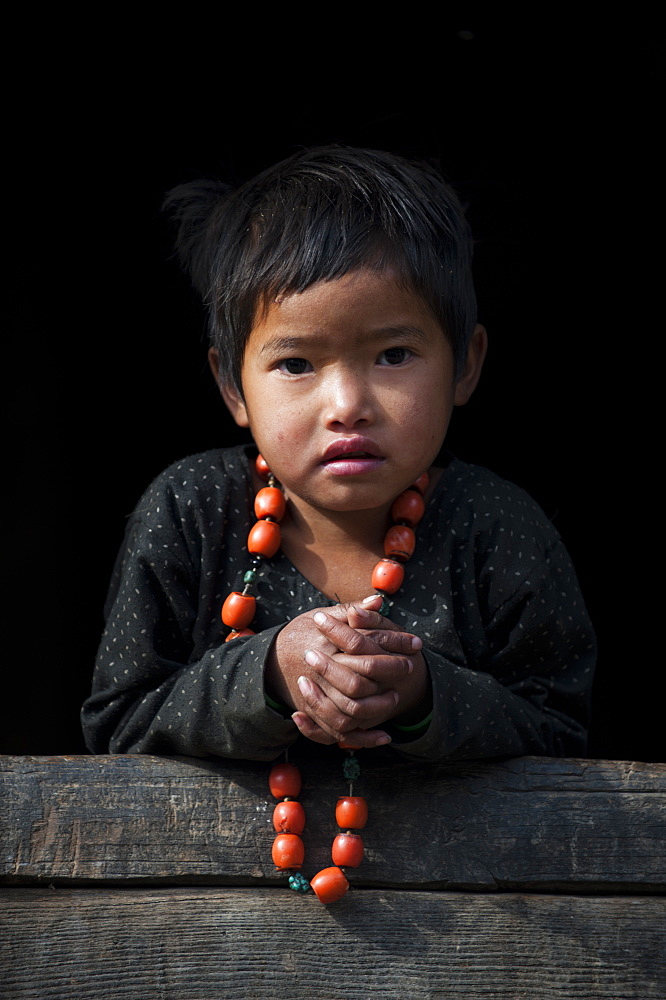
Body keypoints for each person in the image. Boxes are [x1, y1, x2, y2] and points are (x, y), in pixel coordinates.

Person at [81, 145, 596, 764]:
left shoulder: (498, 529)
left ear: (465, 365)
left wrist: (425, 694)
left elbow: (562, 737)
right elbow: (118, 726)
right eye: (296, 363)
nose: (347, 404)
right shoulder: (191, 514)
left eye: (394, 355)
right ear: (232, 387)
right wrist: (269, 671)